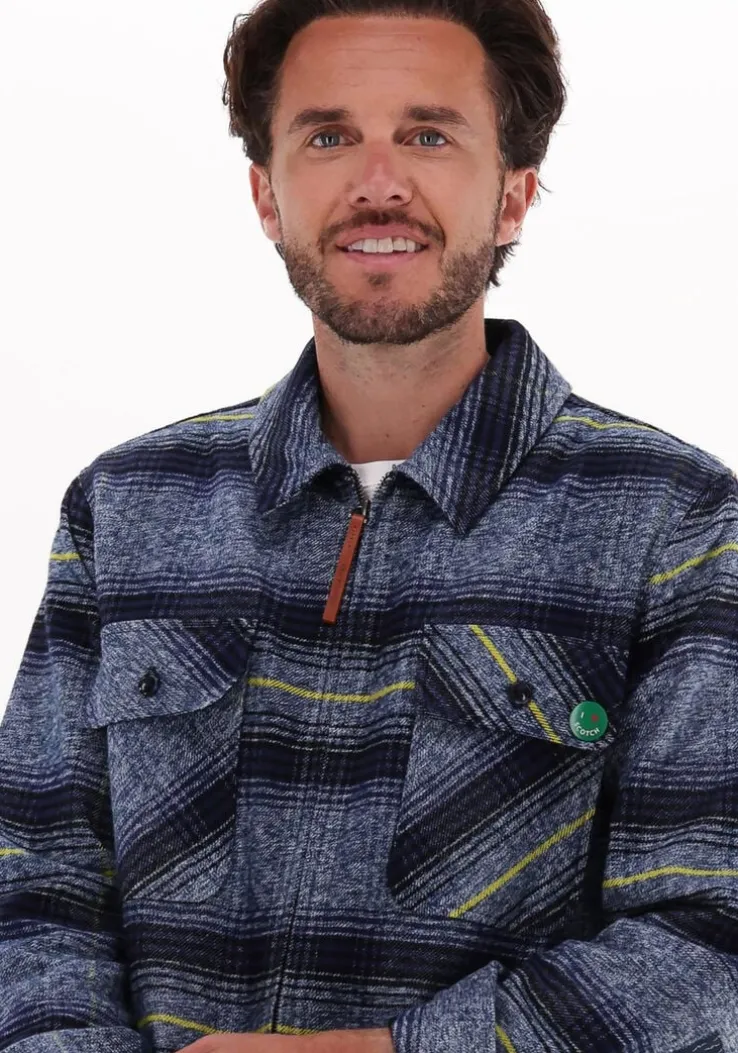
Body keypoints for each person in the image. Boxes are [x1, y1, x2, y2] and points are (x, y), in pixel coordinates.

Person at [1, 0, 737, 1050]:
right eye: (329, 136)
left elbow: (709, 934)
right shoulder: (128, 508)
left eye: (429, 135)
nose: (379, 181)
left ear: (513, 194)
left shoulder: (673, 520)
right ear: (267, 194)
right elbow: (33, 885)